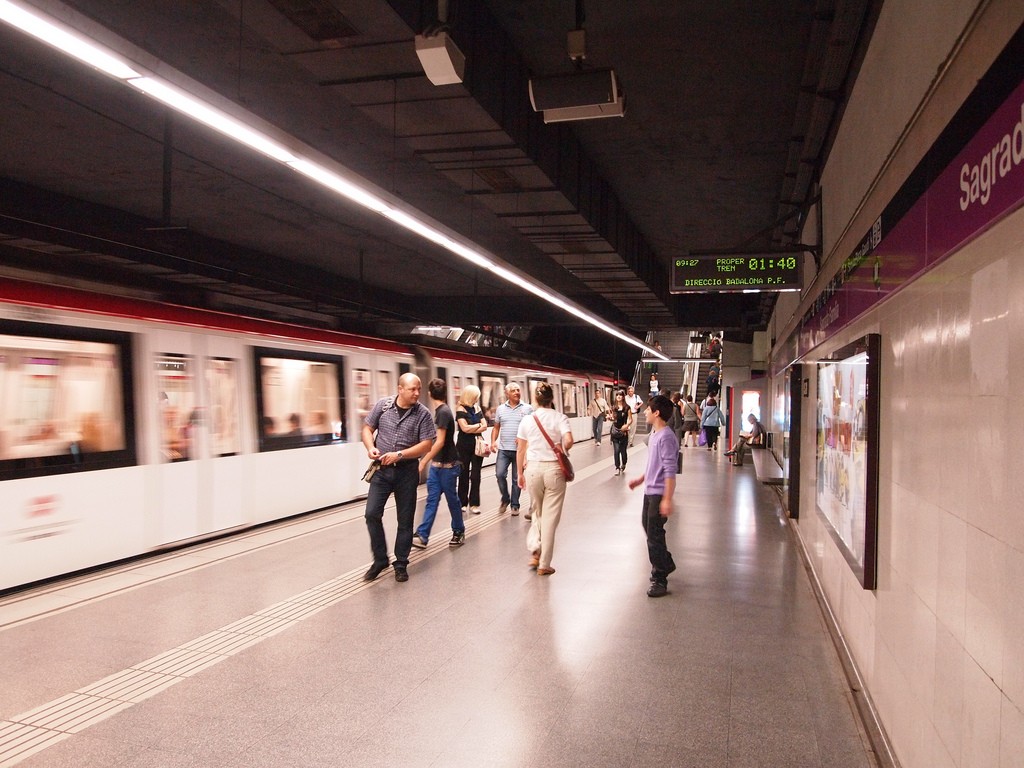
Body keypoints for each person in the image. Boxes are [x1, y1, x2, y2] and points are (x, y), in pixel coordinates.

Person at [361, 373, 436, 582]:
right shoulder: (382, 407)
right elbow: (367, 428)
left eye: (418, 389)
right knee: (371, 514)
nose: (416, 393)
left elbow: (427, 444)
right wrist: (370, 447)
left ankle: (401, 563)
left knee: (405, 520)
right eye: (412, 389)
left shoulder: (423, 414)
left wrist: (400, 454)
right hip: (381, 470)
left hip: (406, 472)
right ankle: (380, 559)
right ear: (400, 389)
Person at [516, 382, 573, 575]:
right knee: (550, 519)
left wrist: (519, 473)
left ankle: (535, 549)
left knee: (537, 513)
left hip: (533, 469)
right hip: (554, 471)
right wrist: (563, 447)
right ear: (552, 399)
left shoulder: (527, 420)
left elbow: (521, 449)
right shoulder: (560, 418)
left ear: (535, 399)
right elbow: (569, 441)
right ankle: (544, 564)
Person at [628, 395, 679, 597]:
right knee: (649, 530)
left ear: (657, 413)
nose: (645, 412)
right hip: (649, 491)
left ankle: (660, 577)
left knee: (654, 536)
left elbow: (670, 470)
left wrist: (667, 498)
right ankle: (665, 562)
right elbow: (654, 465)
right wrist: (640, 480)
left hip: (658, 494)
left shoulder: (666, 436)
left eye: (648, 409)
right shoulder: (655, 435)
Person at [412, 379, 466, 549]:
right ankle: (422, 535)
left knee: (452, 501)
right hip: (438, 466)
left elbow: (440, 441)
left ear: (429, 393)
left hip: (448, 467)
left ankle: (459, 530)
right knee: (432, 500)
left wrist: (423, 461)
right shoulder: (440, 411)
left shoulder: (443, 412)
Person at [491, 382, 532, 515]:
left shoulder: (528, 408)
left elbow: (532, 428)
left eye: (518, 390)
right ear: (507, 393)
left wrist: (524, 438)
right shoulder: (500, 409)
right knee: (499, 474)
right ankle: (505, 498)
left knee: (516, 478)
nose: (516, 392)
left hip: (520, 450)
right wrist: (493, 441)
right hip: (503, 449)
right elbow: (496, 427)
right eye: (513, 391)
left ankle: (515, 504)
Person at [455, 384, 488, 515]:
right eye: (475, 397)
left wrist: (473, 427)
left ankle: (474, 503)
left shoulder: (477, 408)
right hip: (463, 446)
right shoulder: (460, 409)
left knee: (475, 475)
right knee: (463, 474)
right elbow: (464, 429)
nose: (477, 399)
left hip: (477, 445)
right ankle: (462, 502)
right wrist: (479, 425)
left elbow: (485, 426)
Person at [607, 389, 632, 475]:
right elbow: (614, 418)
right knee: (616, 450)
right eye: (617, 395)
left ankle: (624, 463)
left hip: (623, 432)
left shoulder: (627, 408)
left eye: (620, 395)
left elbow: (630, 419)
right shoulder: (614, 407)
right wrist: (610, 418)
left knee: (623, 451)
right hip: (615, 431)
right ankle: (617, 467)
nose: (618, 396)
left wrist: (627, 425)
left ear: (623, 397)